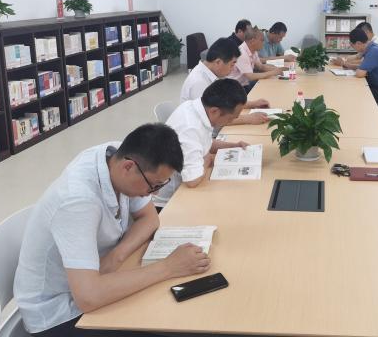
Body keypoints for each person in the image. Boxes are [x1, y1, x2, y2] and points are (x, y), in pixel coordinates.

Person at [14, 124, 210, 337]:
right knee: (167, 320)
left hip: (95, 278)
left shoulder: (118, 156)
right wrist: (168, 267)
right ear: (127, 167)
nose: (152, 194)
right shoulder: (77, 201)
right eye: (153, 185)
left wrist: (117, 255)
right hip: (59, 312)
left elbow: (150, 219)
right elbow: (88, 297)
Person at [153, 79, 249, 210]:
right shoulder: (189, 128)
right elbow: (192, 180)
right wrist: (208, 158)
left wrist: (233, 146)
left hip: (187, 185)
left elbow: (204, 143)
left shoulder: (196, 108)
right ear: (215, 111)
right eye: (231, 118)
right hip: (170, 201)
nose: (231, 122)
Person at [181, 37, 270, 125]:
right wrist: (249, 118)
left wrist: (252, 104)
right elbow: (212, 119)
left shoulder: (211, 73)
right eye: (232, 64)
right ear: (218, 62)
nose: (233, 69)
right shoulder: (199, 82)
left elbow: (224, 104)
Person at [227, 27, 284, 93]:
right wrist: (273, 72)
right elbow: (251, 76)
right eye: (262, 40)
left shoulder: (253, 50)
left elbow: (261, 67)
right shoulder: (242, 53)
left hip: (244, 84)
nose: (263, 43)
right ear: (252, 41)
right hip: (233, 88)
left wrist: (277, 69)